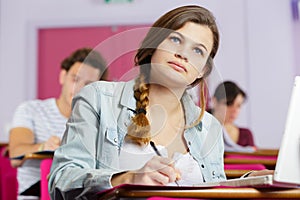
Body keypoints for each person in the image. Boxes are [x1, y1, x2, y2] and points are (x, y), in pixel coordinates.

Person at [49, 5, 272, 199]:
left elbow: (213, 188)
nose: (183, 55)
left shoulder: (210, 126)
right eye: (175, 39)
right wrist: (127, 179)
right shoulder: (97, 98)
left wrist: (250, 180)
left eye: (197, 50)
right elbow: (62, 179)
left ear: (202, 70)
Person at [8, 47, 108, 199]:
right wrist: (43, 147)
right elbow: (15, 156)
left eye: (89, 84)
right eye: (75, 79)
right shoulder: (31, 110)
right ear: (63, 76)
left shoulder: (100, 122)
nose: (79, 88)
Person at [210, 81, 256, 152]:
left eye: (238, 105)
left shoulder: (246, 135)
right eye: (229, 104)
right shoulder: (201, 130)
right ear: (215, 101)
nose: (234, 110)